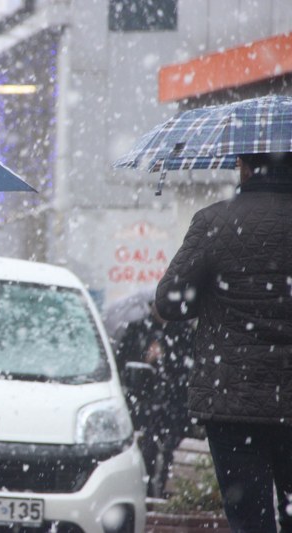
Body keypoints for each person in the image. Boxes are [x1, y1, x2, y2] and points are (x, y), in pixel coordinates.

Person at [155, 152, 292, 532]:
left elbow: (169, 300)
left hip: (232, 400)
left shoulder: (215, 221)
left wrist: (210, 294)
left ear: (245, 167)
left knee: (249, 519)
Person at [114, 304, 194, 497]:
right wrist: (145, 358)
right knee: (146, 448)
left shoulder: (183, 332)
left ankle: (165, 489)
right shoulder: (137, 329)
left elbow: (189, 366)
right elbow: (124, 363)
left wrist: (167, 354)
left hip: (175, 403)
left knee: (171, 450)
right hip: (144, 403)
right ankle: (146, 490)